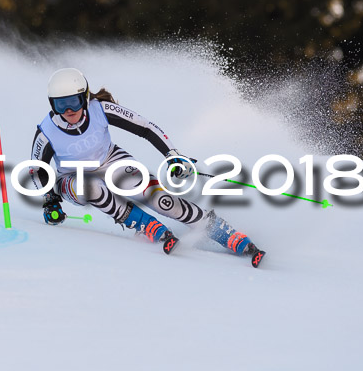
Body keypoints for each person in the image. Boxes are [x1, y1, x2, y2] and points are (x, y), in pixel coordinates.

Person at [29, 68, 266, 267]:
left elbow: (145, 127)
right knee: (93, 188)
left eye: (73, 102)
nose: (68, 110)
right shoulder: (47, 132)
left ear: (85, 98)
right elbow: (38, 170)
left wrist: (172, 156)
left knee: (159, 198)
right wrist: (50, 199)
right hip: (72, 178)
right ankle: (145, 224)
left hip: (110, 160)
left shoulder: (100, 109)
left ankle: (224, 233)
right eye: (60, 105)